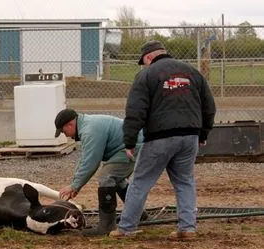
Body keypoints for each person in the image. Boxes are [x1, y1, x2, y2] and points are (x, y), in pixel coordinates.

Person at [110, 40, 216, 240]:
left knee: (140, 182)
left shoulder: (147, 75)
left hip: (160, 138)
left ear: (149, 57)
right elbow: (209, 106)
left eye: (144, 61)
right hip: (190, 137)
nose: (144, 65)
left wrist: (129, 141)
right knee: (185, 182)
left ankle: (126, 228)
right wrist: (203, 133)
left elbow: (135, 111)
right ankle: (187, 228)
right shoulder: (192, 72)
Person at [54, 108, 147, 237]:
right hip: (129, 145)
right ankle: (137, 213)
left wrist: (75, 186)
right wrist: (75, 184)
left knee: (106, 177)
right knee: (116, 178)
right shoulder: (87, 126)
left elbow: (91, 162)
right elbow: (84, 159)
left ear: (70, 124)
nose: (67, 136)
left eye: (64, 132)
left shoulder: (89, 130)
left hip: (134, 146)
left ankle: (107, 226)